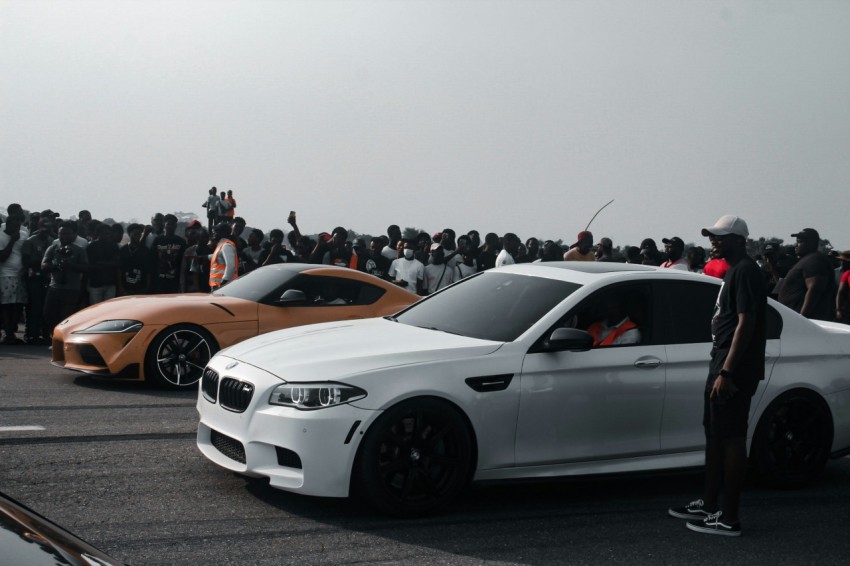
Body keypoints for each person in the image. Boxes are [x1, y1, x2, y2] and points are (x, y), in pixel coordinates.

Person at [669, 214, 766, 537]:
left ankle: (730, 518)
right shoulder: (734, 271)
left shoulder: (747, 272)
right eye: (712, 236)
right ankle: (711, 504)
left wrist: (727, 370)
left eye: (720, 237)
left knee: (731, 438)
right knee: (714, 435)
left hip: (733, 368)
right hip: (721, 362)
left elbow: (746, 323)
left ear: (739, 240)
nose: (713, 241)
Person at [41, 221, 89, 338]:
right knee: (49, 315)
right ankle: (55, 338)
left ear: (74, 234)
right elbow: (43, 266)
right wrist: (56, 265)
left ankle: (64, 340)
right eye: (61, 234)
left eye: (67, 234)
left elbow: (86, 268)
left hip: (72, 289)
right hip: (54, 287)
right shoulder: (53, 248)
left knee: (67, 317)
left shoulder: (79, 250)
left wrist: (71, 265)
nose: (63, 237)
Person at [777, 228, 836, 321]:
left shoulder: (815, 261)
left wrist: (802, 318)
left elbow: (815, 289)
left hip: (807, 322)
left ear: (812, 243)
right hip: (796, 319)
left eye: (799, 242)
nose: (795, 245)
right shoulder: (808, 260)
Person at [0, 212, 28, 344]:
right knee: (7, 306)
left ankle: (12, 333)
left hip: (20, 276)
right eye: (14, 226)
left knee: (18, 306)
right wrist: (12, 240)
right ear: (7, 225)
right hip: (6, 276)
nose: (17, 229)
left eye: (19, 226)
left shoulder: (23, 235)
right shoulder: (1, 235)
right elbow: (2, 257)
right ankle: (9, 334)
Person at [151, 214, 186, 294]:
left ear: (175, 226)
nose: (170, 226)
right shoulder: (157, 240)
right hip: (159, 281)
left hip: (174, 281)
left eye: (173, 224)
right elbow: (153, 259)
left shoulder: (181, 242)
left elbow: (182, 262)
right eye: (168, 224)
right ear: (164, 225)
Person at [85, 223, 120, 304]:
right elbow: (89, 265)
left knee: (108, 310)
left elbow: (117, 263)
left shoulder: (114, 245)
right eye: (105, 233)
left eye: (108, 233)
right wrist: (109, 264)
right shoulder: (91, 246)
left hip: (110, 283)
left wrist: (101, 263)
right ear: (98, 234)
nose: (107, 235)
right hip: (95, 284)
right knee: (95, 309)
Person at [118, 223, 153, 295]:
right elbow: (119, 270)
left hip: (141, 288)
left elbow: (149, 271)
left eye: (139, 234)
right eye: (135, 234)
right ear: (129, 234)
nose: (138, 237)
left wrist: (148, 287)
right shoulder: (123, 250)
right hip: (126, 288)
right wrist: (120, 287)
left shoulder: (145, 251)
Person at [207, 223, 239, 290]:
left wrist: (224, 281)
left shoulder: (226, 246)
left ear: (223, 232)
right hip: (218, 285)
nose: (214, 232)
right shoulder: (221, 245)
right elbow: (216, 257)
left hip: (224, 286)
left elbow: (231, 265)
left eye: (216, 230)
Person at [836, 250, 850, 323]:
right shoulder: (847, 274)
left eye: (844, 261)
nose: (842, 263)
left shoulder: (847, 273)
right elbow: (840, 292)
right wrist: (838, 309)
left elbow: (840, 292)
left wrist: (838, 309)